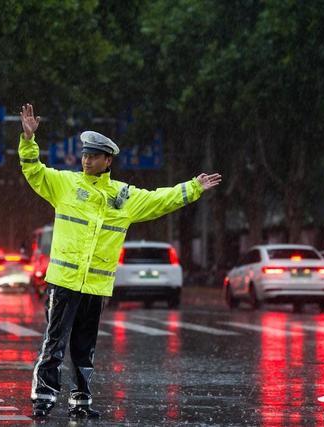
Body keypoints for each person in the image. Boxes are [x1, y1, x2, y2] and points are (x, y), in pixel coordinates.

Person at [19, 103, 222, 419]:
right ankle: (43, 397)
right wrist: (29, 139)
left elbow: (159, 200)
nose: (86, 160)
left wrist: (193, 188)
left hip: (97, 285)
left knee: (84, 347)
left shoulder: (124, 196)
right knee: (54, 344)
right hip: (64, 281)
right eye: (84, 155)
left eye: (93, 156)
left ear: (107, 160)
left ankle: (81, 401)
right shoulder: (65, 184)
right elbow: (33, 170)